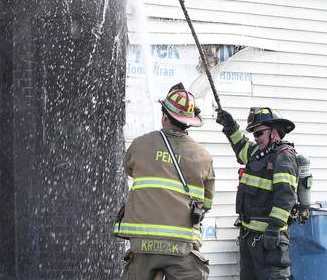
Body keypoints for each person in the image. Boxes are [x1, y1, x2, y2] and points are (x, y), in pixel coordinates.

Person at [115, 84, 214, 280]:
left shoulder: (140, 145)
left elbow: (129, 169)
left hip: (144, 245)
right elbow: (207, 203)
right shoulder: (203, 157)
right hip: (182, 247)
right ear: (189, 123)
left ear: (164, 117)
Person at [216, 107, 298, 280]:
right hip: (249, 237)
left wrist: (274, 229)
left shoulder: (284, 157)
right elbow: (240, 145)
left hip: (270, 241)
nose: (256, 138)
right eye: (254, 134)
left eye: (259, 133)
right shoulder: (257, 153)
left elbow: (286, 197)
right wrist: (230, 126)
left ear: (274, 133)